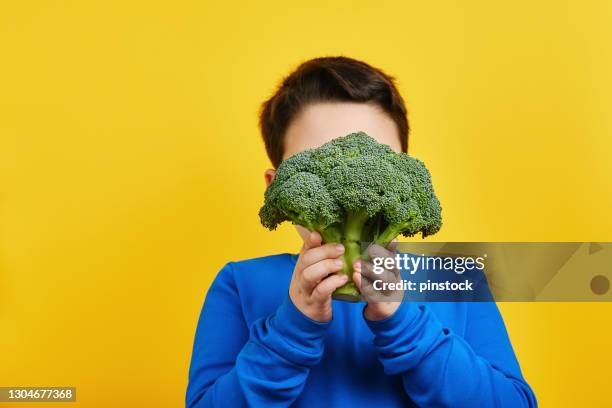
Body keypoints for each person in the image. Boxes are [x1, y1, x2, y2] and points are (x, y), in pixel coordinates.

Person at [186, 56, 537, 407]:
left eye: (375, 161)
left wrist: (405, 324)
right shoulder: (238, 283)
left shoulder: (457, 283)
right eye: (319, 164)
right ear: (276, 185)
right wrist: (291, 328)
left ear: (406, 175)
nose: (348, 188)